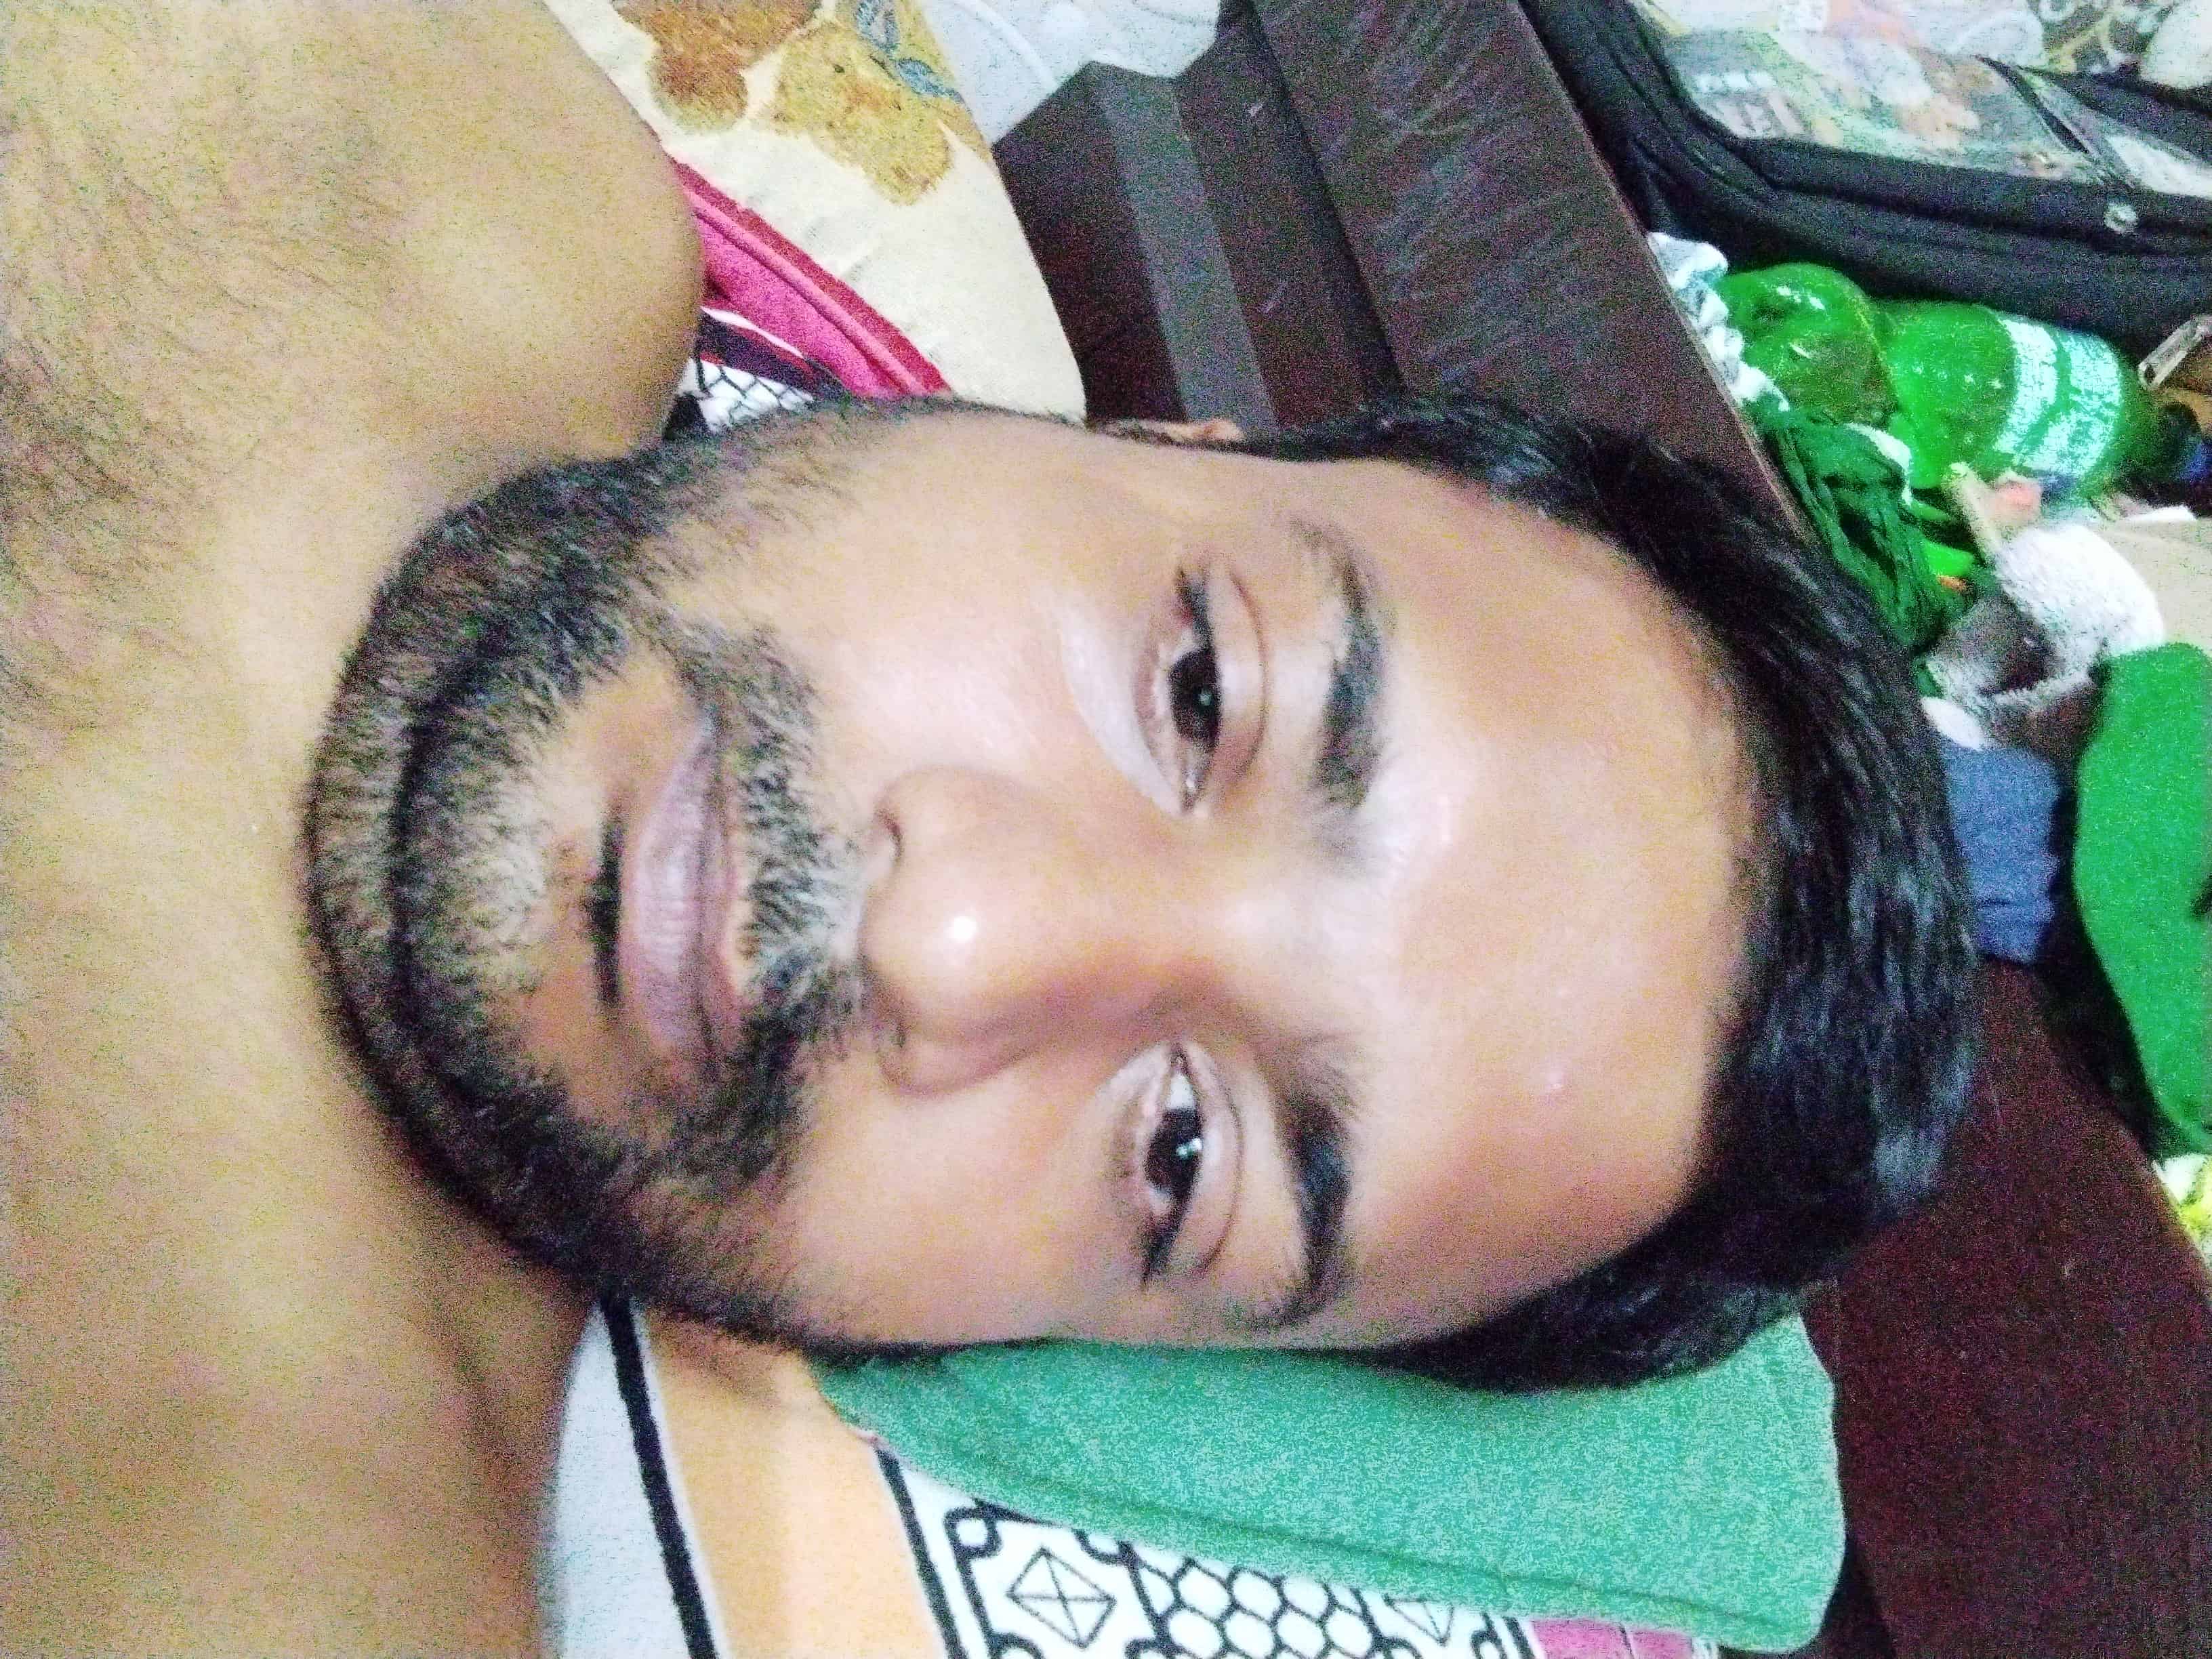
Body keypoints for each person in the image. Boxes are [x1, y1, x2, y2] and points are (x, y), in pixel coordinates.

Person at [1, 3, 1973, 1652]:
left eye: (1183, 1155)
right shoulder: (489, 165)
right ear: (1150, 442)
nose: (951, 945)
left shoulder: (261, 1554)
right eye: (1199, 694)